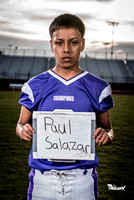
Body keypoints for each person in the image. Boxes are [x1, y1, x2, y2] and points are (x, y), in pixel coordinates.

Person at [16, 13, 114, 200]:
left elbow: (108, 130)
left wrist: (106, 136)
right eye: (59, 43)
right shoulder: (34, 85)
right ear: (51, 45)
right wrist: (23, 131)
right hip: (43, 178)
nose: (66, 49)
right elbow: (19, 125)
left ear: (83, 44)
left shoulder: (98, 87)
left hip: (82, 180)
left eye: (73, 42)